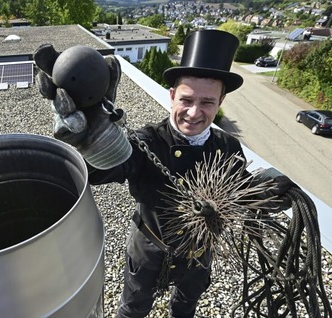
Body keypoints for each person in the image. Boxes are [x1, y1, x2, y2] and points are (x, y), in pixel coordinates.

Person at [34, 29, 295, 318]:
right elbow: (98, 171)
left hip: (199, 255)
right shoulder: (146, 142)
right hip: (149, 252)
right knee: (133, 310)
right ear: (172, 96)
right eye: (186, 100)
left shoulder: (227, 146)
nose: (194, 113)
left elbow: (241, 194)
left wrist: (268, 196)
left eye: (207, 102)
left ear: (220, 103)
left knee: (185, 307)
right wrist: (89, 142)